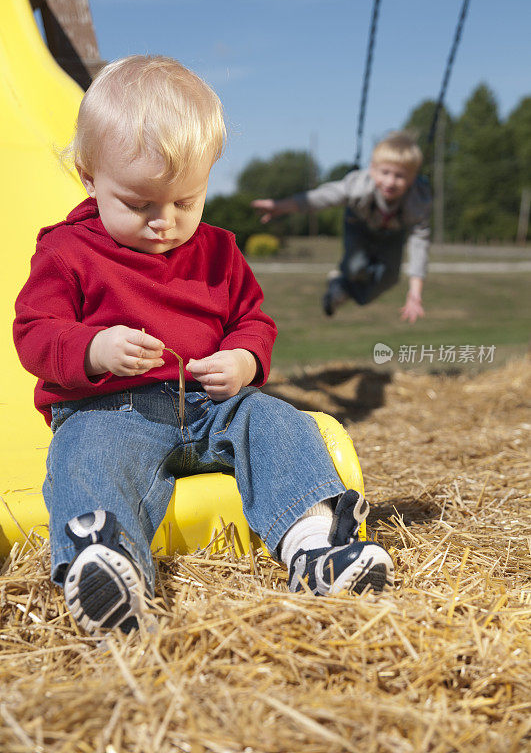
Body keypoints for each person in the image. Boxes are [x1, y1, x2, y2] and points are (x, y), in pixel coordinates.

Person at [13, 55, 393, 637]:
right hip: (113, 410)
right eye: (139, 204)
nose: (164, 221)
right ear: (89, 176)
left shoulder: (219, 252)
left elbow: (252, 321)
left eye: (186, 202)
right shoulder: (67, 252)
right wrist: (92, 348)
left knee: (278, 422)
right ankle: (107, 562)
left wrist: (243, 360)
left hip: (214, 408)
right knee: (83, 450)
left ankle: (316, 547)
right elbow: (35, 334)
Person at [252, 131, 432, 322]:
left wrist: (415, 292)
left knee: (388, 280)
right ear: (372, 169)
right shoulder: (359, 187)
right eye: (385, 172)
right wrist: (281, 206)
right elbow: (321, 198)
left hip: (392, 233)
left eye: (399, 176)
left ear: (412, 178)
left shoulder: (417, 202)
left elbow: (419, 243)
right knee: (356, 266)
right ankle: (341, 280)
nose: (390, 181)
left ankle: (341, 289)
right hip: (358, 224)